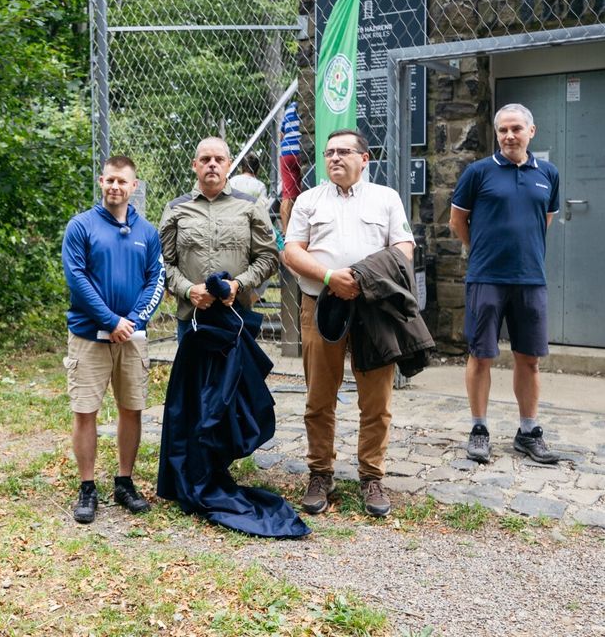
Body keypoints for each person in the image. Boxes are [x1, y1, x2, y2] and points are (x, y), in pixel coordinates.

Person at [283, 129, 414, 517]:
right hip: (321, 305)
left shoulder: (386, 199)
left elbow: (403, 248)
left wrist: (365, 277)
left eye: (344, 152)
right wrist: (329, 277)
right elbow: (292, 251)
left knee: (376, 398)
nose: (335, 158)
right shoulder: (309, 201)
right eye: (329, 153)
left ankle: (371, 476)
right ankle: (320, 472)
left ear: (364, 158)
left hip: (373, 308)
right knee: (319, 396)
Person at [449, 103, 560, 465]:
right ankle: (479, 429)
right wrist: (484, 249)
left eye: (516, 129)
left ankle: (528, 431)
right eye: (502, 130)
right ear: (496, 135)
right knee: (481, 355)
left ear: (532, 131)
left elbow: (544, 219)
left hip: (530, 279)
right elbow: (457, 221)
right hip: (486, 277)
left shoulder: (549, 174)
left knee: (530, 360)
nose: (509, 136)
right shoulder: (478, 172)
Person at [62, 155, 165, 524]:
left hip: (132, 339)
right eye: (110, 181)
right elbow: (77, 278)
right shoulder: (81, 226)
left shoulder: (148, 233)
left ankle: (124, 482)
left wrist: (133, 320)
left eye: (123, 182)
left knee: (131, 408)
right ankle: (87, 487)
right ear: (101, 181)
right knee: (85, 410)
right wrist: (109, 319)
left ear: (134, 187)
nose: (115, 187)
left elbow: (157, 280)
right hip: (89, 336)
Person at [159, 137, 278, 344]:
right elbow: (162, 263)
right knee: (192, 377)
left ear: (229, 164)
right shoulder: (175, 209)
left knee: (236, 376)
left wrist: (238, 285)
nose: (212, 164)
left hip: (236, 316)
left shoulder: (251, 206)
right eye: (205, 159)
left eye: (219, 159)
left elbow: (268, 258)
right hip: (191, 318)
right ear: (194, 165)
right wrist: (188, 290)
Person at [278, 100, 304, 232]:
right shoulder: (307, 105)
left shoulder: (290, 108)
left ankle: (285, 231)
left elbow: (281, 134)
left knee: (287, 194)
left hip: (286, 152)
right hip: (301, 148)